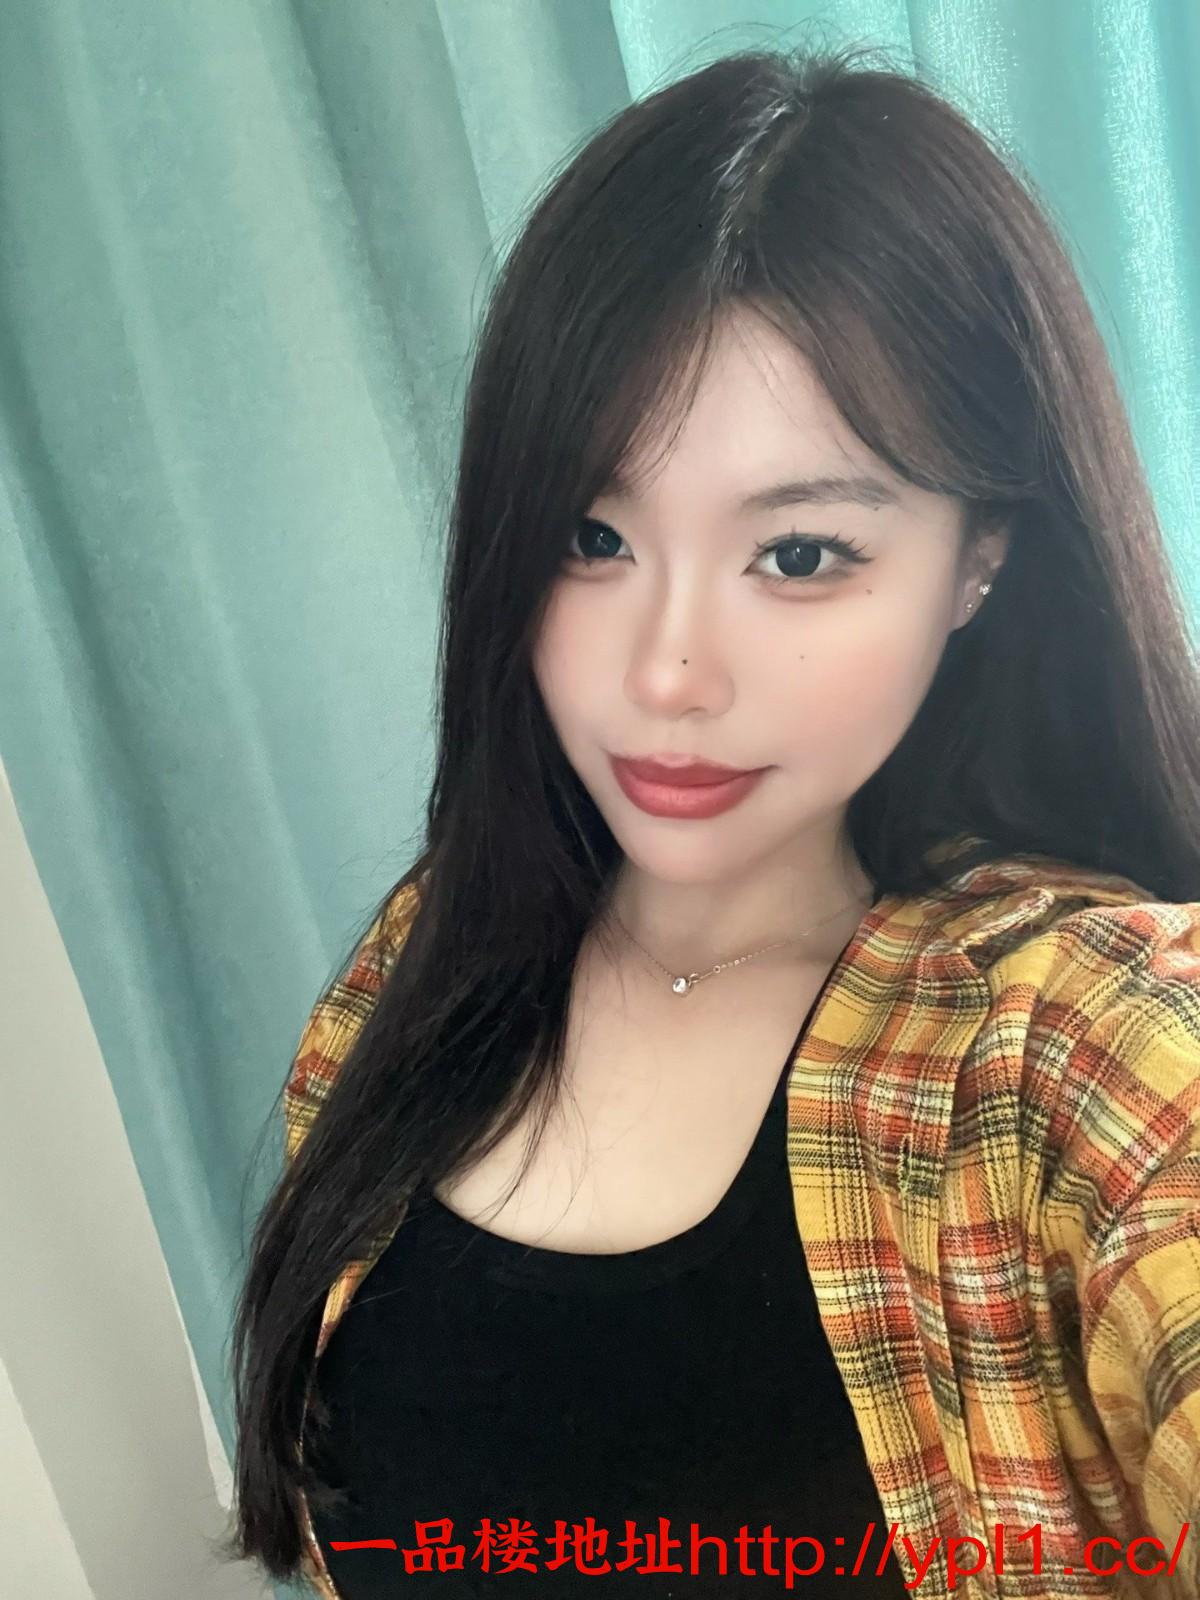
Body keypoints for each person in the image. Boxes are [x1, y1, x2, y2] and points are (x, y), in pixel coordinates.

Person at [224, 41, 1200, 1600]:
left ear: (979, 561)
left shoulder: (1074, 1048)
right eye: (592, 535)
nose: (667, 673)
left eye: (799, 555)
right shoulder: (422, 967)